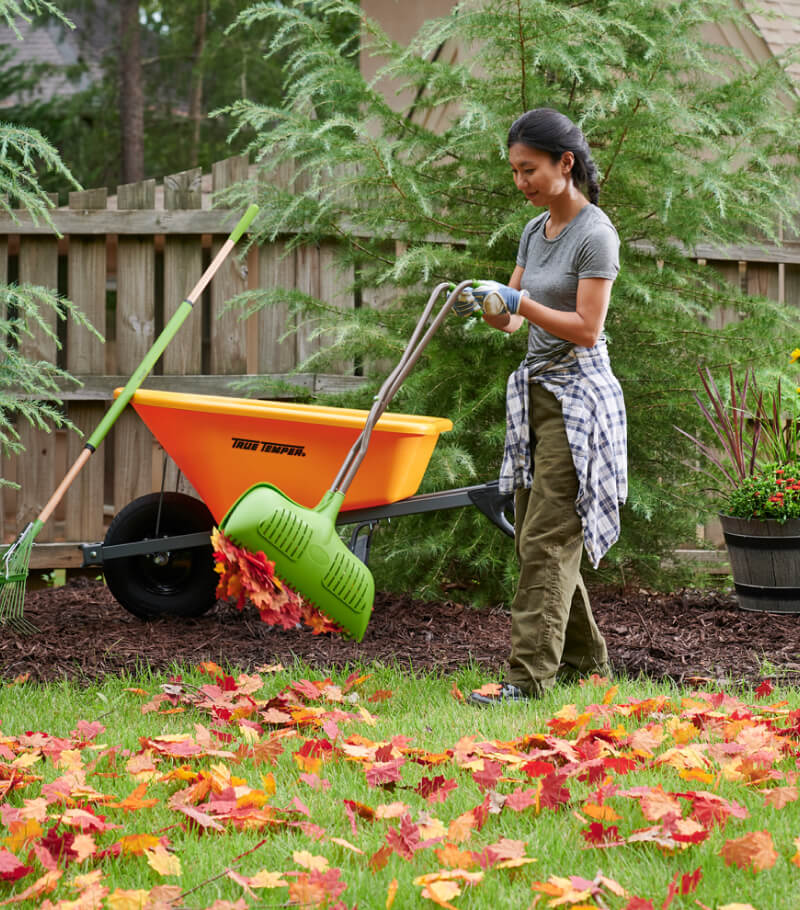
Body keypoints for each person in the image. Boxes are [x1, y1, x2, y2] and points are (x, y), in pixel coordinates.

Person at [455, 108, 628, 706]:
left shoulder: (596, 234)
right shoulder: (535, 232)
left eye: (529, 169)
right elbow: (509, 320)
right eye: (514, 171)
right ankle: (587, 661)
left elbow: (585, 328)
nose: (521, 181)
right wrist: (485, 302)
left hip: (580, 397)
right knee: (536, 533)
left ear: (565, 163)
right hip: (536, 395)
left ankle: (527, 681)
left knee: (548, 538)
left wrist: (519, 302)